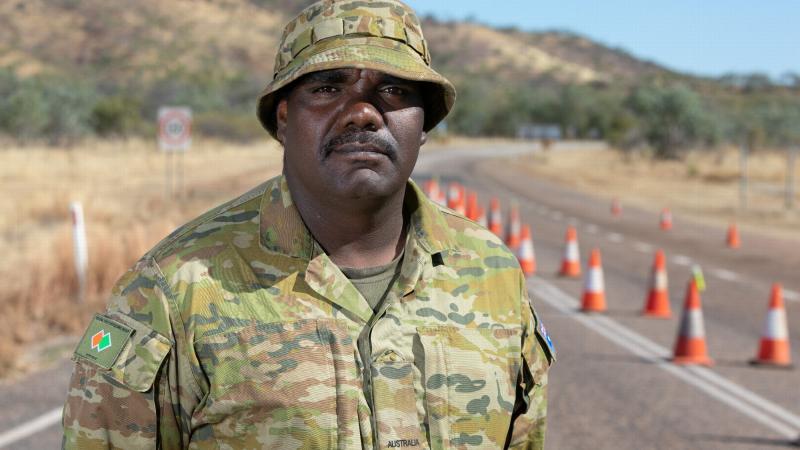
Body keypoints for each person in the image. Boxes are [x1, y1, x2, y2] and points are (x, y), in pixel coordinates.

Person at [61, 0, 555, 448]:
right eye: (326, 88)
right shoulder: (174, 289)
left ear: (422, 124)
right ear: (282, 120)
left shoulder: (493, 274)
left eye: (393, 89)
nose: (362, 113)